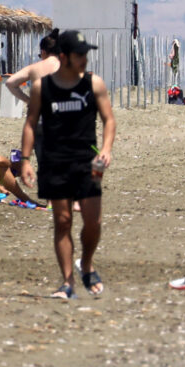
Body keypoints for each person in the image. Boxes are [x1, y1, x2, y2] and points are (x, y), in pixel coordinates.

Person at [20, 31, 115, 299]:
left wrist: (106, 149)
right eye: (79, 55)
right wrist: (25, 160)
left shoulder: (94, 84)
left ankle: (86, 263)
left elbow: (109, 120)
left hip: (88, 161)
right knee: (62, 221)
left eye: (86, 54)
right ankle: (67, 281)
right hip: (55, 160)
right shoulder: (43, 87)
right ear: (64, 57)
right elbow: (30, 122)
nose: (84, 59)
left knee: (93, 221)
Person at [2, 29, 62, 107]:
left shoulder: (35, 68)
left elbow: (10, 83)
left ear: (43, 52)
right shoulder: (69, 68)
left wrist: (29, 101)